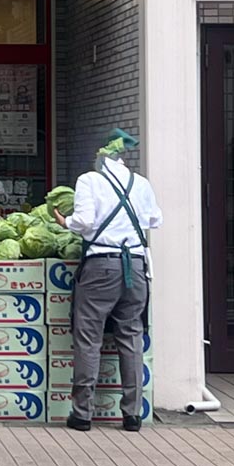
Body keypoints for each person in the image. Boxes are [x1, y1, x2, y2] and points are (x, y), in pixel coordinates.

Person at [53, 130, 161, 433]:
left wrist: (66, 222)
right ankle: (132, 414)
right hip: (136, 267)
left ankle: (83, 413)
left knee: (89, 337)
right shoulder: (141, 183)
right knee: (131, 337)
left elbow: (84, 221)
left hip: (101, 266)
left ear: (100, 156)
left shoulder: (90, 180)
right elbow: (155, 220)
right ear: (122, 157)